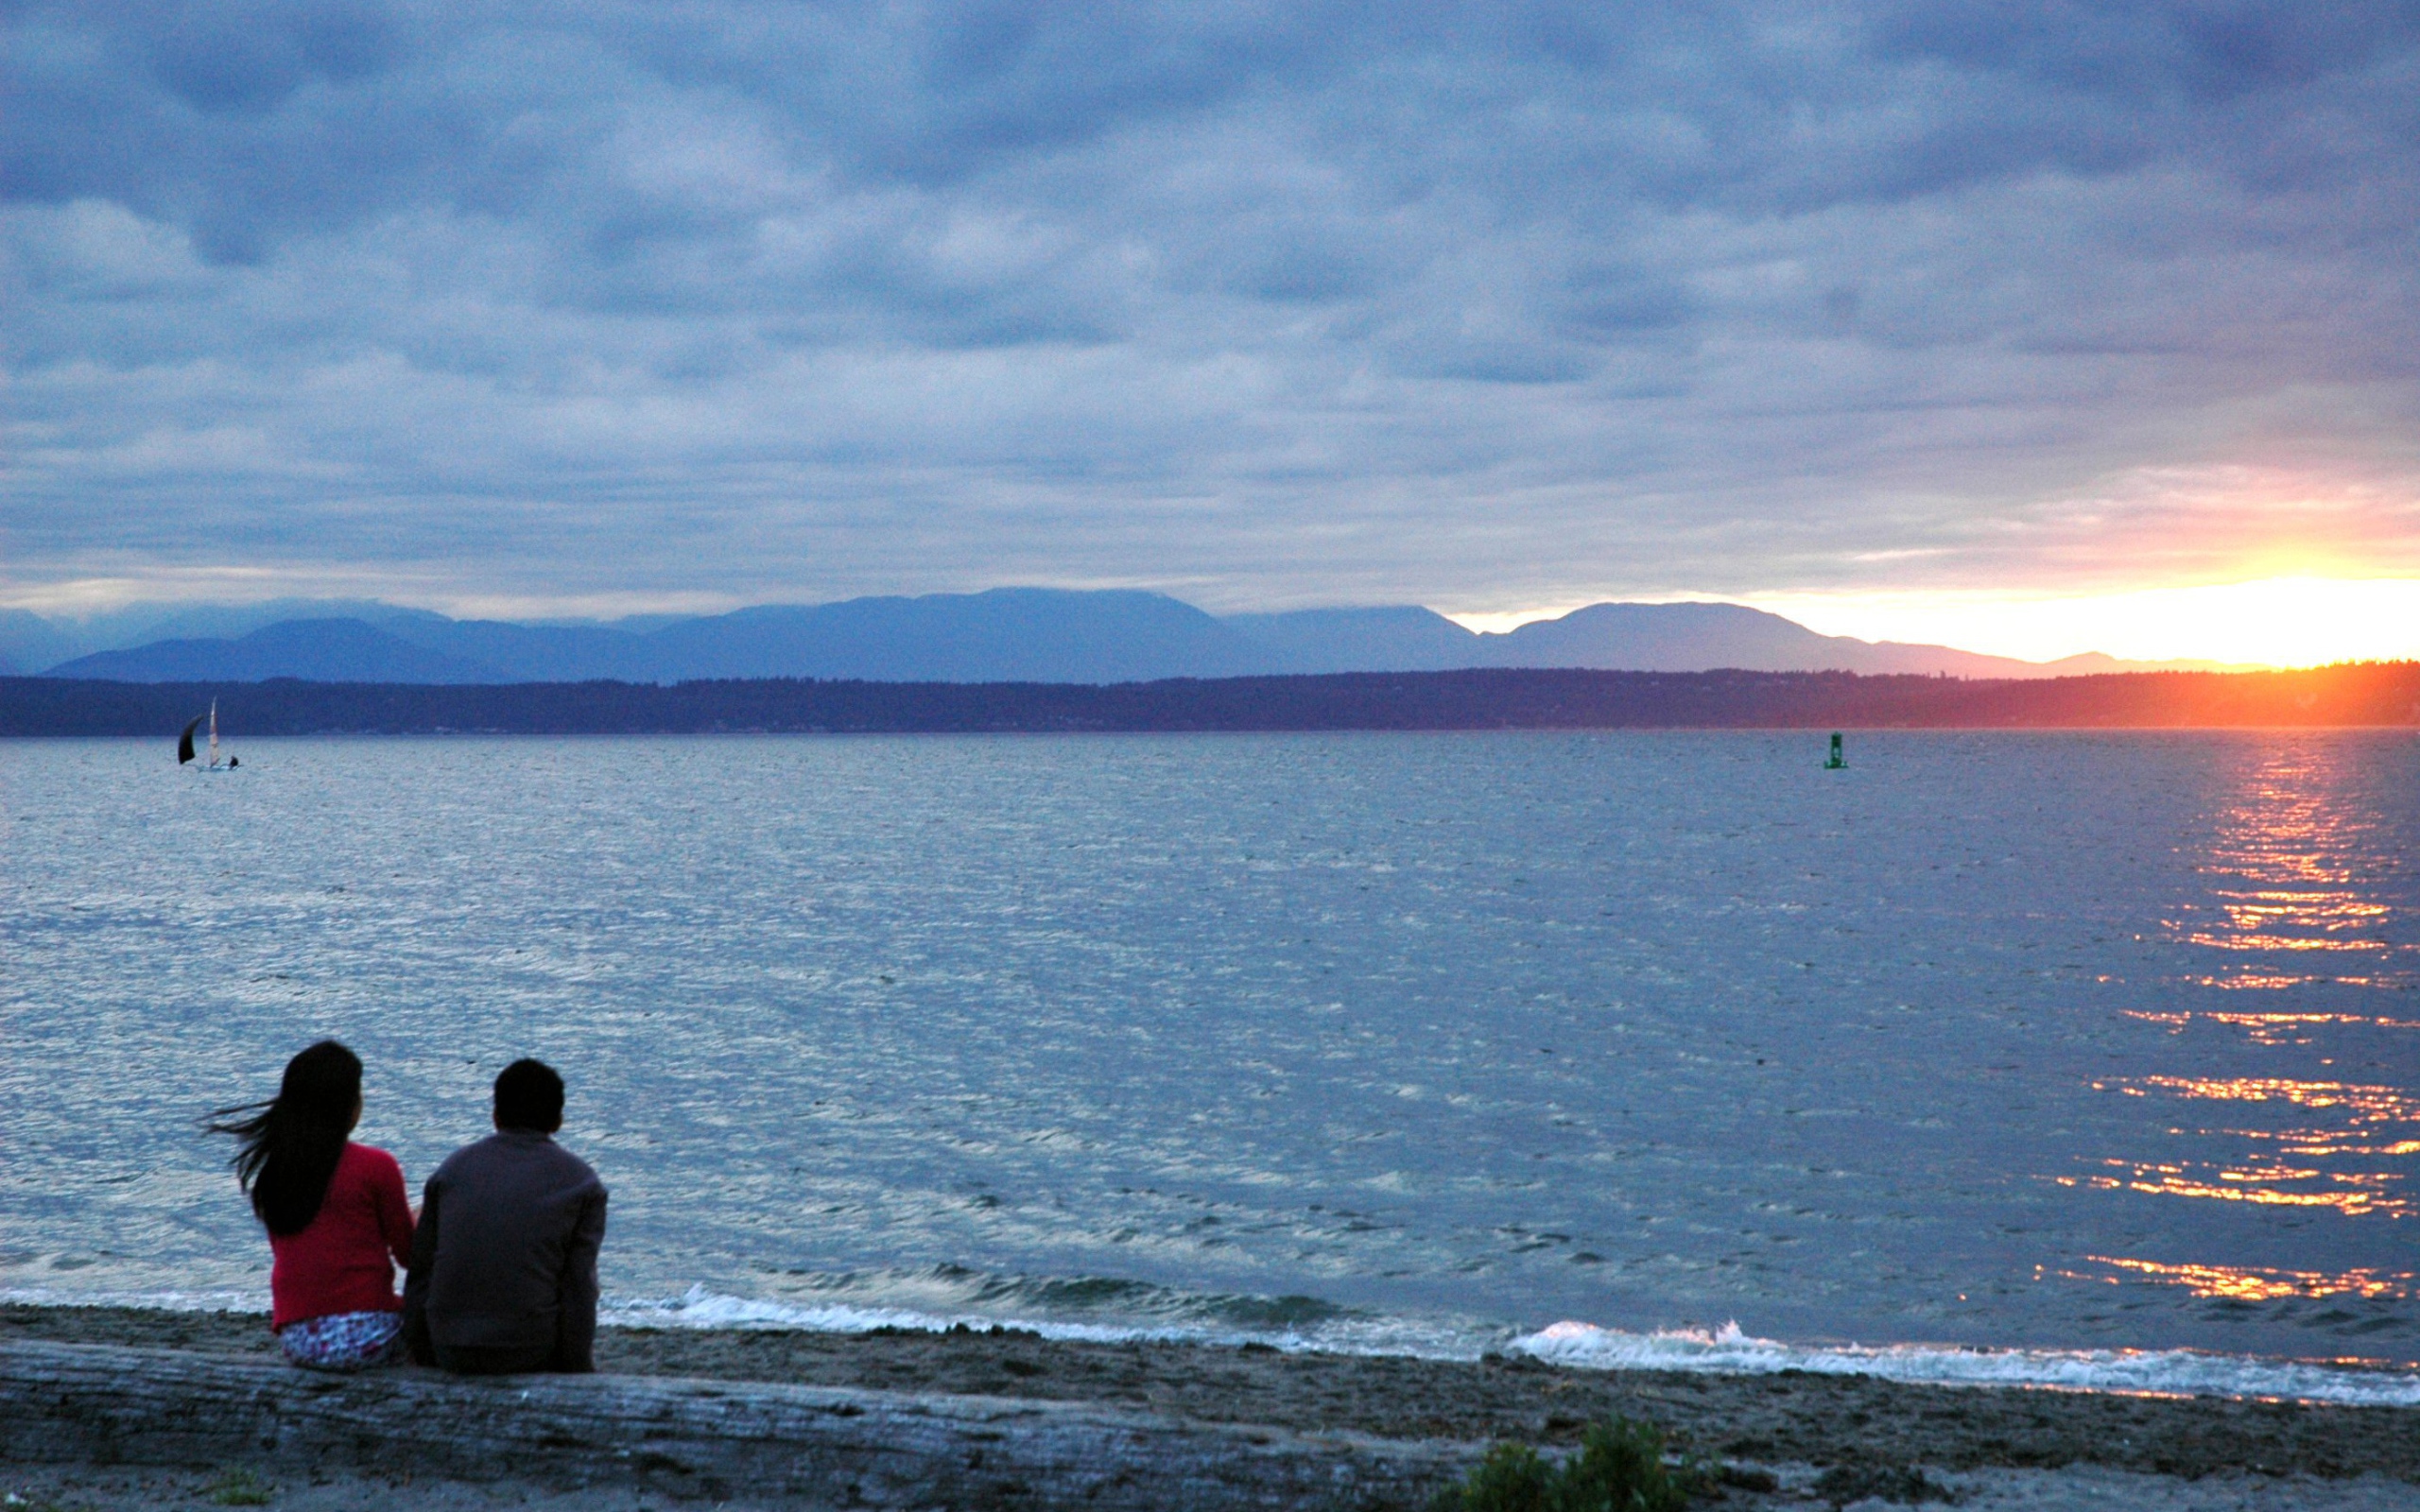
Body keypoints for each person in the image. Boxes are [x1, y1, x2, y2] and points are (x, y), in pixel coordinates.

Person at [207, 1040, 414, 1371]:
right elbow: (410, 1255)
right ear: (347, 1106)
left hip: (300, 1340)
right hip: (368, 1337)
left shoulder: (276, 1173)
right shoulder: (376, 1166)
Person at [403, 1058, 608, 1374]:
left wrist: (422, 1352)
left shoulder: (451, 1171)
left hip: (448, 1345)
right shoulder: (581, 1182)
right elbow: (578, 1287)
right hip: (528, 1348)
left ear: (495, 1115)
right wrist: (580, 1367)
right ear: (558, 1121)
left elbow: (421, 1272)